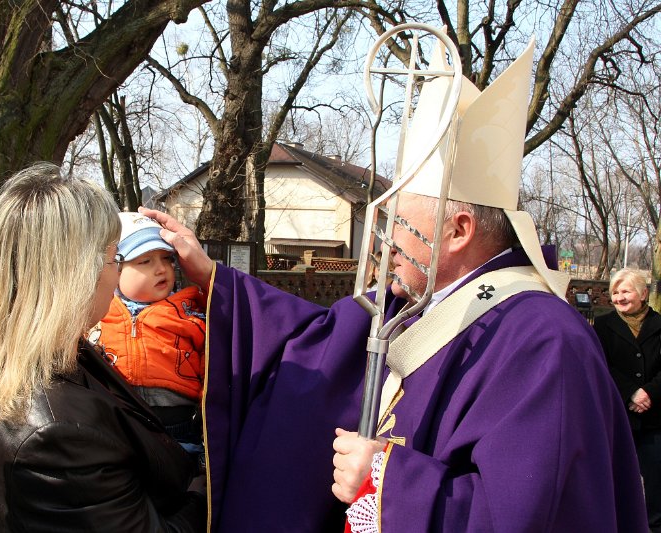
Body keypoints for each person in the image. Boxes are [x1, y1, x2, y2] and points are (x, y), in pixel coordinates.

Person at [139, 35, 645, 532]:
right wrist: (213, 277)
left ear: (458, 231)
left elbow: (537, 515)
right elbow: (314, 340)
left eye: (400, 224)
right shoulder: (413, 305)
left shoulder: (542, 340)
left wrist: (386, 480)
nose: (385, 244)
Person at [0, 163, 206, 532]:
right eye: (114, 260)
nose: (117, 274)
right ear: (77, 274)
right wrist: (209, 486)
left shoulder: (40, 359)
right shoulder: (58, 431)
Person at [90, 212, 206, 458]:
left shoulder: (190, 310)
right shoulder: (98, 311)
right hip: (116, 422)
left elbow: (213, 364)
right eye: (145, 261)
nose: (161, 269)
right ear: (115, 269)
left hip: (177, 424)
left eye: (167, 259)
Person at [595, 268, 661, 532]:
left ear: (643, 294)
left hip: (654, 418)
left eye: (626, 291)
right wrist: (631, 392)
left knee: (656, 484)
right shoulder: (603, 326)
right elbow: (601, 364)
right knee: (615, 479)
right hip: (618, 414)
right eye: (615, 292)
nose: (619, 297)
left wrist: (649, 392)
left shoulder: (658, 324)